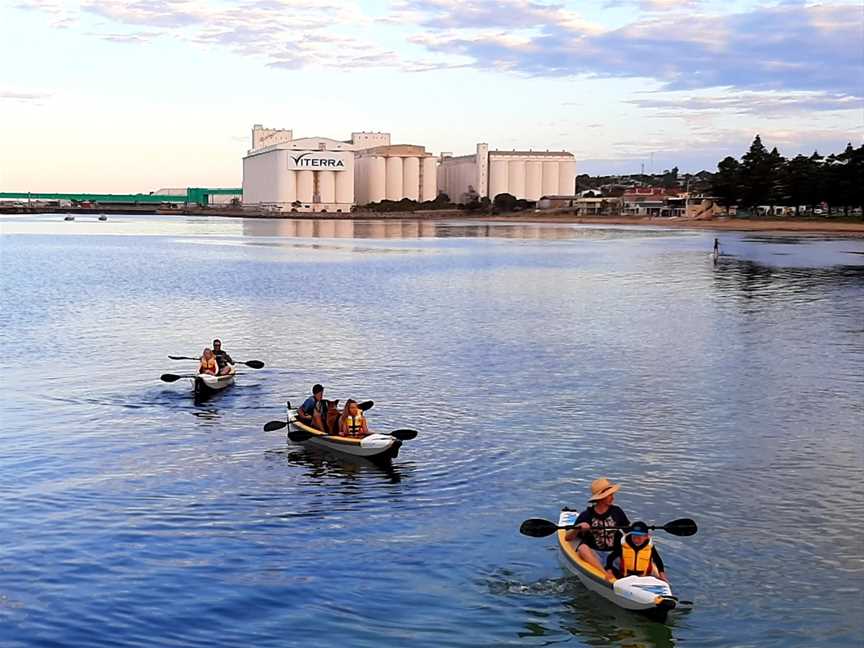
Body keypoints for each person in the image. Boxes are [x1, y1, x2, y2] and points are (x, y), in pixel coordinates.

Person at [564, 477, 630, 574]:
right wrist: (577, 528)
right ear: (601, 498)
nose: (613, 497)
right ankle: (603, 573)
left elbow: (628, 532)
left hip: (615, 553)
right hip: (595, 553)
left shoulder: (617, 511)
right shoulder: (586, 515)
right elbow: (568, 537)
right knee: (582, 549)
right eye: (609, 495)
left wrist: (641, 534)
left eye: (612, 494)